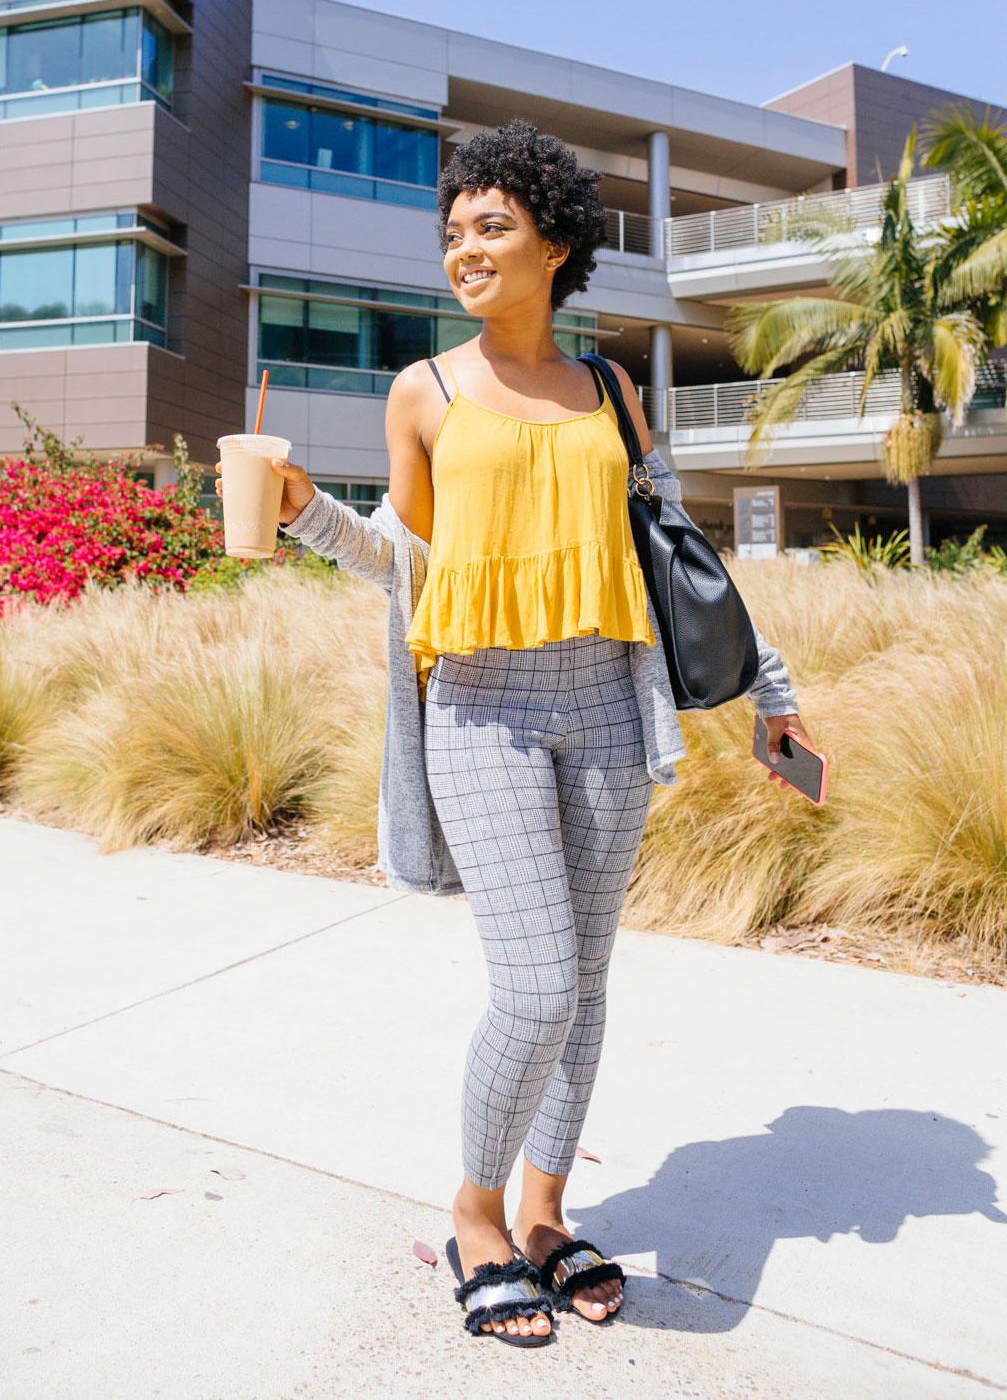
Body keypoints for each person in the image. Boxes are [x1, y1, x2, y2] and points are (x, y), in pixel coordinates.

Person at [216, 119, 807, 1347]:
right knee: (534, 985)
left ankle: (547, 1211)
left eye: (491, 226)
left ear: (556, 241)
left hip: (606, 696)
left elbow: (677, 560)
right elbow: (406, 564)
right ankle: (474, 1212)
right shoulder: (422, 391)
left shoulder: (609, 390)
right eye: (452, 234)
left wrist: (773, 688)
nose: (464, 251)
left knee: (586, 986)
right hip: (478, 704)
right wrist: (306, 509)